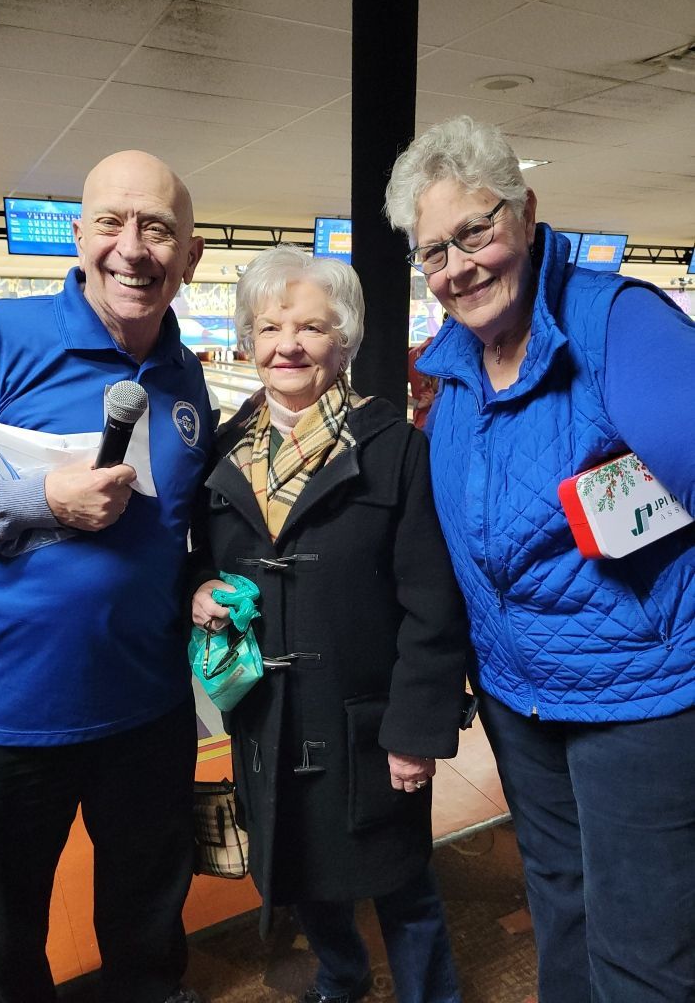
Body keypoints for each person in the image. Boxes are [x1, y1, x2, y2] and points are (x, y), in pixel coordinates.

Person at [384, 114, 695, 1003]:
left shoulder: (615, 325)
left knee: (641, 950)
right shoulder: (455, 368)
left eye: (475, 230)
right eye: (433, 250)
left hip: (638, 697)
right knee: (562, 910)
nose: (458, 265)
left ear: (524, 212)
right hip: (521, 699)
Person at [0, 150, 213, 1003]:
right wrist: (40, 500)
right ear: (78, 235)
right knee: (3, 947)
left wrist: (205, 583)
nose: (132, 248)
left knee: (148, 931)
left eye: (156, 228)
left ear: (191, 255)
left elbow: (180, 531)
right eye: (111, 223)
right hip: (2, 713)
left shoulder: (187, 376)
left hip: (149, 710)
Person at [190, 245, 471, 1003]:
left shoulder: (396, 450)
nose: (287, 345)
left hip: (365, 725)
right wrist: (199, 589)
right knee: (302, 876)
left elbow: (433, 605)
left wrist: (416, 731)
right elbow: (196, 560)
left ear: (343, 343)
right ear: (247, 340)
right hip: (267, 719)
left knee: (404, 886)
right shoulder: (224, 451)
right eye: (269, 327)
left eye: (311, 328)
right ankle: (341, 980)